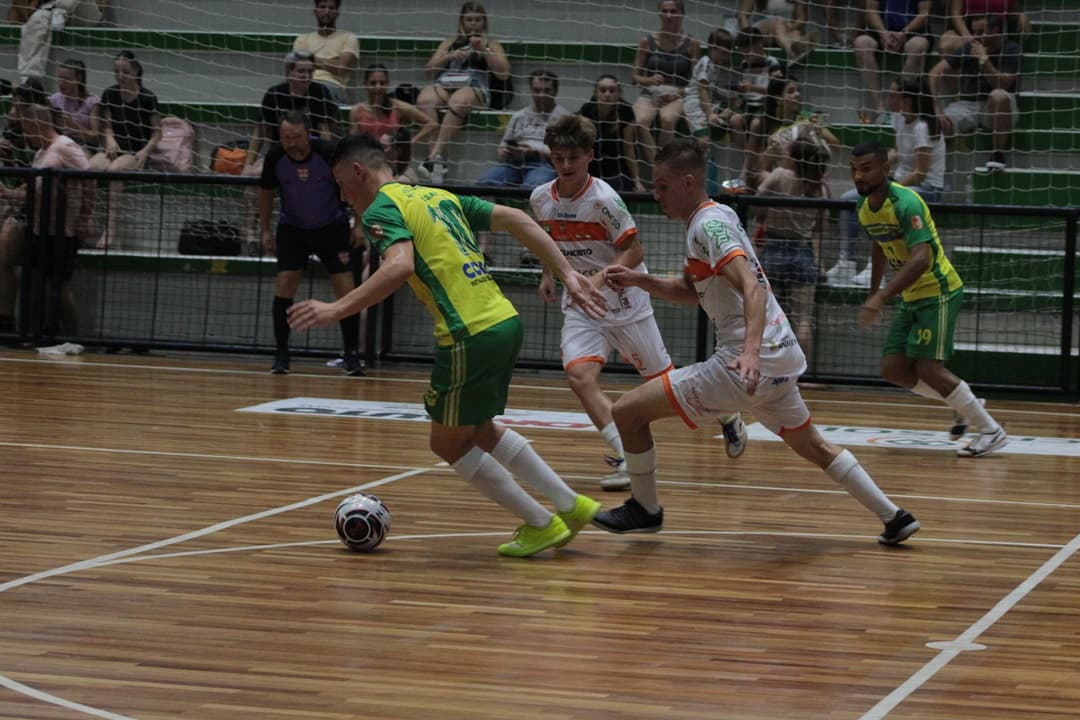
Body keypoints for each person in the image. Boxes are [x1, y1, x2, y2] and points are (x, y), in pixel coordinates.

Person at [287, 132, 608, 558]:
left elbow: (398, 266)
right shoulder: (436, 196)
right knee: (479, 429)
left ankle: (541, 522)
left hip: (468, 333)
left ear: (359, 172)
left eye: (341, 182)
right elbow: (518, 218)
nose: (342, 194)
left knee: (447, 443)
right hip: (504, 321)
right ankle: (572, 504)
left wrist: (337, 309)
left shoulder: (383, 207)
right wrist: (566, 272)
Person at [591, 139, 919, 545]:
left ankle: (645, 509)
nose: (655, 195)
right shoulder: (717, 217)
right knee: (815, 446)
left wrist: (747, 353)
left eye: (662, 186)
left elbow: (753, 288)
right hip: (778, 361)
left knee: (626, 413)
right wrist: (643, 280)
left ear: (689, 182)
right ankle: (895, 516)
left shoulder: (708, 225)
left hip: (744, 365)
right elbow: (696, 291)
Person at [531, 115, 746, 491]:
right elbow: (552, 246)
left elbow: (633, 250)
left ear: (589, 157)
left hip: (625, 300)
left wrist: (597, 280)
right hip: (583, 306)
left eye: (573, 159)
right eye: (558, 158)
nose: (565, 166)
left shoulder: (604, 200)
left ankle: (725, 412)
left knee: (662, 383)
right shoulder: (540, 199)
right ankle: (627, 457)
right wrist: (550, 274)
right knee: (579, 377)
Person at [849, 140, 1007, 456]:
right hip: (911, 295)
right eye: (853, 170)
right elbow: (879, 246)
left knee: (929, 369)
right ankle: (969, 405)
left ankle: (991, 430)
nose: (858, 177)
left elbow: (921, 258)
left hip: (938, 291)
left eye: (866, 169)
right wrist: (872, 293)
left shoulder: (908, 203)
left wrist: (882, 297)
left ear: (885, 168)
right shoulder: (864, 208)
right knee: (893, 369)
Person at [257, 112, 362, 376]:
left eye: (297, 137)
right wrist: (265, 230)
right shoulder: (275, 156)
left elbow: (356, 184)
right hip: (293, 229)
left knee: (346, 290)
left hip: (332, 226)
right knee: (284, 285)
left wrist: (359, 223)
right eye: (286, 137)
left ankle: (351, 355)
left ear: (308, 134)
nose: (291, 143)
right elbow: (266, 193)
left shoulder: (327, 152)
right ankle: (282, 355)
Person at [828, 76, 946, 286]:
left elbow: (921, 172)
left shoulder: (923, 127)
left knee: (882, 203)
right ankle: (846, 262)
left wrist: (888, 187)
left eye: (894, 95)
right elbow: (899, 153)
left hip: (927, 188)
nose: (889, 98)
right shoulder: (900, 119)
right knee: (848, 200)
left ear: (907, 99)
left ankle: (876, 270)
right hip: (901, 180)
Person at [0, 103, 91, 336]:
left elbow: (90, 181)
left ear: (37, 124)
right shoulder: (42, 153)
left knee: (57, 288)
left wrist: (83, 219)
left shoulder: (66, 147)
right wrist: (10, 195)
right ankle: (37, 332)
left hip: (63, 230)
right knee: (35, 281)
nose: (25, 136)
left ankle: (72, 336)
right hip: (40, 227)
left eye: (27, 129)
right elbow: (33, 190)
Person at [415, 1, 511, 185]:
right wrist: (450, 56)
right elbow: (429, 69)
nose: (473, 24)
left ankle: (434, 156)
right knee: (425, 99)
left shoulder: (492, 44)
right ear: (461, 21)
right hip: (446, 82)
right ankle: (437, 161)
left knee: (458, 101)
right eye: (469, 19)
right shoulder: (450, 42)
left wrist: (484, 51)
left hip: (474, 86)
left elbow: (503, 72)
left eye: (477, 20)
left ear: (484, 23)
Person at [754, 137, 828, 361]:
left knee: (768, 317)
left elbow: (756, 200)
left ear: (794, 158)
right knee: (803, 318)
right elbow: (820, 225)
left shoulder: (779, 176)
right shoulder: (818, 187)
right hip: (802, 252)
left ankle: (767, 367)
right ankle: (802, 372)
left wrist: (766, 213)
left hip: (774, 247)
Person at [88, 50, 161, 250]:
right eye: (117, 72)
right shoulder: (110, 93)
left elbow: (157, 133)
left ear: (136, 70)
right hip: (115, 148)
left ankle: (111, 228)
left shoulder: (147, 97)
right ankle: (89, 218)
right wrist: (110, 140)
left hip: (136, 150)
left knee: (114, 171)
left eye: (125, 71)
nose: (121, 76)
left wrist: (145, 152)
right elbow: (108, 126)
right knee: (91, 166)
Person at [928, 13, 1020, 171]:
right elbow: (934, 73)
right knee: (938, 123)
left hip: (999, 108)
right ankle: (934, 171)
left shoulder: (1011, 49)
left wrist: (983, 60)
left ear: (996, 30)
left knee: (998, 95)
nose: (976, 36)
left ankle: (998, 154)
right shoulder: (969, 47)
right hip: (968, 105)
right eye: (974, 32)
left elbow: (1003, 83)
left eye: (981, 32)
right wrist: (936, 108)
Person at [631, 0, 700, 168]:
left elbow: (696, 81)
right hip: (651, 92)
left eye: (673, 11)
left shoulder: (692, 43)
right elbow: (634, 77)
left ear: (681, 14)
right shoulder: (647, 41)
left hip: (678, 93)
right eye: (665, 11)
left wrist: (679, 93)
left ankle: (666, 163)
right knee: (640, 121)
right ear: (659, 14)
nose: (669, 15)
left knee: (667, 119)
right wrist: (649, 80)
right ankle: (658, 165)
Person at [476, 69, 568, 189]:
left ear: (555, 91)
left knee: (534, 186)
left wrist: (535, 152)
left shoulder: (565, 119)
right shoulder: (518, 116)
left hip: (545, 164)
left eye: (546, 90)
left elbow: (566, 154)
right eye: (537, 90)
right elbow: (502, 145)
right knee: (485, 182)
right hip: (512, 164)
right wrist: (505, 151)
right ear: (531, 90)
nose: (541, 95)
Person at [852, 0, 932, 124]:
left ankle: (901, 106)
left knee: (918, 46)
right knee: (861, 43)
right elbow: (871, 9)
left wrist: (903, 33)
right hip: (881, 30)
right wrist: (883, 34)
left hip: (913, 30)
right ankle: (880, 109)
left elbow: (924, 13)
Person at [349, 64, 437, 167]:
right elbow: (352, 143)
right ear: (365, 84)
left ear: (388, 84)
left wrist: (409, 143)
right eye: (373, 83)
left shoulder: (397, 106)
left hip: (393, 162)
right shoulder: (357, 110)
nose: (378, 87)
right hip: (367, 160)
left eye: (382, 83)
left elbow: (432, 124)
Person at [578, 74, 646, 193]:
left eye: (612, 90)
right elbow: (582, 145)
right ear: (595, 93)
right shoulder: (587, 110)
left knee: (614, 192)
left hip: (618, 168)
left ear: (619, 94)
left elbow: (629, 147)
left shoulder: (626, 112)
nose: (607, 94)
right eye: (603, 90)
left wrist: (637, 181)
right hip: (592, 166)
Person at [16, 0, 107, 83]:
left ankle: (59, 9)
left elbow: (102, 6)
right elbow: (26, 9)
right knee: (38, 17)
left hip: (84, 11)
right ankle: (29, 80)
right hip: (48, 13)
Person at [684, 28, 744, 152]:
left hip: (710, 104)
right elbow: (703, 90)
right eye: (723, 53)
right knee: (703, 142)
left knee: (736, 112)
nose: (725, 57)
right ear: (713, 47)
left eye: (728, 54)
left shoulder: (718, 65)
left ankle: (747, 158)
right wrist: (710, 113)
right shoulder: (705, 62)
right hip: (696, 105)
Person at [292, 0, 358, 105]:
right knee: (277, 92)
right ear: (315, 11)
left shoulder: (348, 37)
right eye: (322, 7)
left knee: (316, 92)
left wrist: (311, 59)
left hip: (332, 87)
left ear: (337, 12)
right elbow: (297, 69)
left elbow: (342, 68)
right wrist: (333, 61)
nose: (326, 11)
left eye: (331, 8)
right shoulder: (302, 39)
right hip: (304, 83)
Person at [939, 0, 1030, 57]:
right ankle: (956, 88)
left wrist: (1020, 15)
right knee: (948, 45)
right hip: (964, 30)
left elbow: (1012, 12)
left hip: (992, 33)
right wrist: (967, 36)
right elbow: (955, 12)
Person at [48, 58, 99, 150]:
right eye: (59, 78)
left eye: (66, 79)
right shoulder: (54, 99)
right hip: (59, 142)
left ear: (78, 79)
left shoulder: (92, 102)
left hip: (84, 145)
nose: (61, 83)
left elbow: (95, 139)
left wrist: (73, 125)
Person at [737, 0, 810, 63]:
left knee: (795, 33)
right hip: (761, 29)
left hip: (783, 30)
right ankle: (791, 53)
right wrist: (748, 36)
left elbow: (801, 19)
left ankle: (799, 45)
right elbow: (742, 15)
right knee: (778, 23)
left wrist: (790, 26)